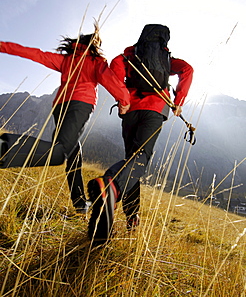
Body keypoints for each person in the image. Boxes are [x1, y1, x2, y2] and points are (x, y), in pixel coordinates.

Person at [0, 25, 130, 214]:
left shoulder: (66, 60)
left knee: (73, 154)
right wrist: (124, 101)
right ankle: (5, 148)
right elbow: (112, 81)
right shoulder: (96, 61)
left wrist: (3, 46)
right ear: (94, 45)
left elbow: (33, 53)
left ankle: (79, 204)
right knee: (59, 153)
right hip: (81, 105)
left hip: (60, 107)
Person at [87, 24, 193, 243]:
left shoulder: (128, 56)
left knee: (131, 160)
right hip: (155, 110)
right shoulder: (166, 59)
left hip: (131, 111)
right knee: (140, 157)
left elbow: (114, 71)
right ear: (164, 40)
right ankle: (111, 186)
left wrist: (122, 100)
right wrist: (178, 102)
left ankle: (131, 217)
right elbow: (188, 69)